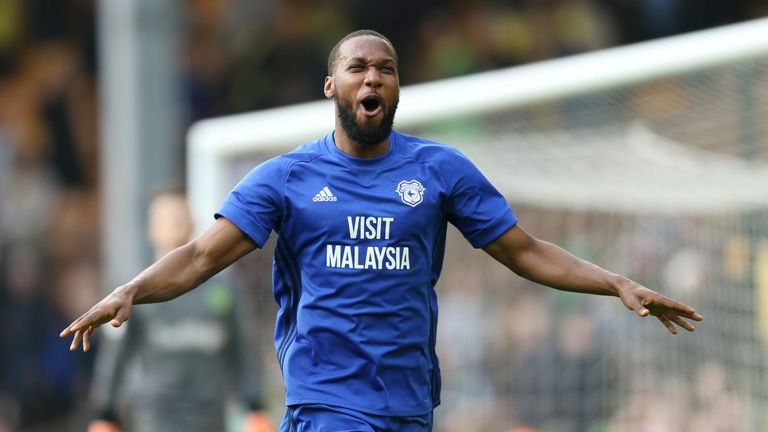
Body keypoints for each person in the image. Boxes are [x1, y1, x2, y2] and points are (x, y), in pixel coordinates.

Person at [61, 29, 703, 432]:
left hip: (410, 402)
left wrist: (616, 282)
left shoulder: (440, 170)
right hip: (326, 400)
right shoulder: (286, 178)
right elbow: (200, 257)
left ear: (396, 86)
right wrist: (131, 291)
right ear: (331, 84)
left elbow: (525, 251)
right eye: (358, 67)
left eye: (386, 68)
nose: (372, 77)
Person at [85, 187, 274, 432]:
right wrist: (105, 413)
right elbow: (115, 356)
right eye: (166, 218)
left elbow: (241, 350)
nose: (174, 223)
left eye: (179, 215)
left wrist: (253, 406)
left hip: (210, 419)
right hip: (154, 420)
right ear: (151, 229)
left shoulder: (223, 291)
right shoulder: (134, 293)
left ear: (192, 221)